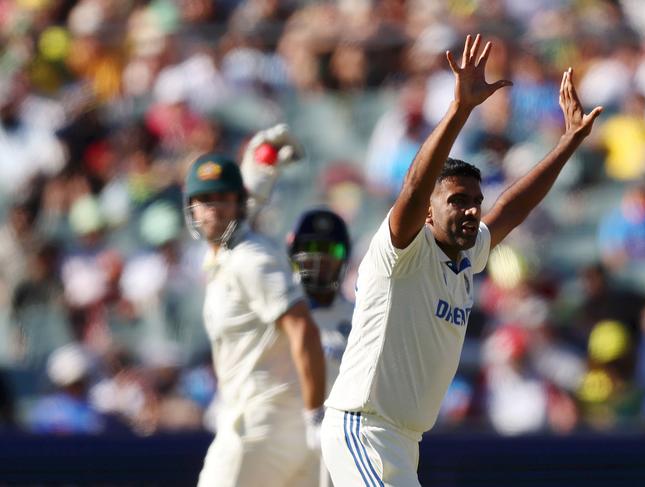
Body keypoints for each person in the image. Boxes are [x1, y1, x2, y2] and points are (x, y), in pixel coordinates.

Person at [321, 33, 603, 486]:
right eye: (457, 200)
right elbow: (414, 186)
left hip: (404, 440)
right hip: (364, 427)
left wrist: (568, 143)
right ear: (430, 210)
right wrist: (460, 110)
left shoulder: (466, 257)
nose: (471, 209)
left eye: (475, 200)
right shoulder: (402, 251)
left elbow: (512, 208)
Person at [184, 153, 326, 486]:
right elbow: (224, 244)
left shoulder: (252, 260)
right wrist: (254, 180)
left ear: (239, 204)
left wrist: (315, 412)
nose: (213, 209)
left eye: (224, 199)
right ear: (190, 207)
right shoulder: (225, 257)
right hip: (269, 423)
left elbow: (302, 326)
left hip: (261, 425)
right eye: (205, 200)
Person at [288, 208, 355, 487]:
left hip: (331, 446)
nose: (320, 257)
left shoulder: (359, 318)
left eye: (331, 249)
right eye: (311, 247)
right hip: (283, 439)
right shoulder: (281, 311)